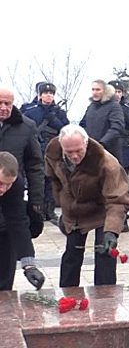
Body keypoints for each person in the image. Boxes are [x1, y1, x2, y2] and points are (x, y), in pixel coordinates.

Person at [45, 125, 129, 287]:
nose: (74, 156)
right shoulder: (53, 153)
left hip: (103, 209)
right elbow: (54, 179)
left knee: (105, 252)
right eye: (69, 152)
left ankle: (106, 297)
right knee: (72, 253)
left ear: (86, 143)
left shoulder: (107, 163)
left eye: (78, 150)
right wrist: (64, 204)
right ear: (62, 146)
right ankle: (67, 294)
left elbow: (118, 200)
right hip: (74, 210)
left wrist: (111, 231)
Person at [0, 85, 44, 239]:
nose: (4, 108)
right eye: (0, 103)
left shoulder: (26, 127)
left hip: (12, 193)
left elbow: (35, 165)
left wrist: (36, 199)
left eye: (8, 104)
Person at [20, 82, 69, 221]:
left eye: (52, 93)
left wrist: (53, 119)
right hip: (35, 148)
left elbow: (65, 128)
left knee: (52, 179)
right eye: (46, 93)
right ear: (40, 95)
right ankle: (37, 211)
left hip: (53, 149)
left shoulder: (59, 112)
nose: (49, 95)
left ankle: (50, 210)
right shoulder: (30, 110)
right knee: (36, 180)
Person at [0, 152, 45, 291]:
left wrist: (29, 264)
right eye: (0, 183)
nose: (3, 189)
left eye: (8, 184)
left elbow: (18, 221)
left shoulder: (16, 185)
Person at [80, 79, 125, 163]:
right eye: (93, 89)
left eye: (98, 89)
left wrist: (102, 143)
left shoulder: (114, 106)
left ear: (105, 91)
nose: (95, 92)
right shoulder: (91, 107)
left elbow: (117, 127)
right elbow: (83, 125)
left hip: (109, 152)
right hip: (91, 150)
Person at [108, 80, 129, 174]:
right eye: (114, 92)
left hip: (123, 146)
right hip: (108, 146)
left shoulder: (127, 109)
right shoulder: (102, 108)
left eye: (119, 92)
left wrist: (126, 117)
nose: (117, 95)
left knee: (123, 177)